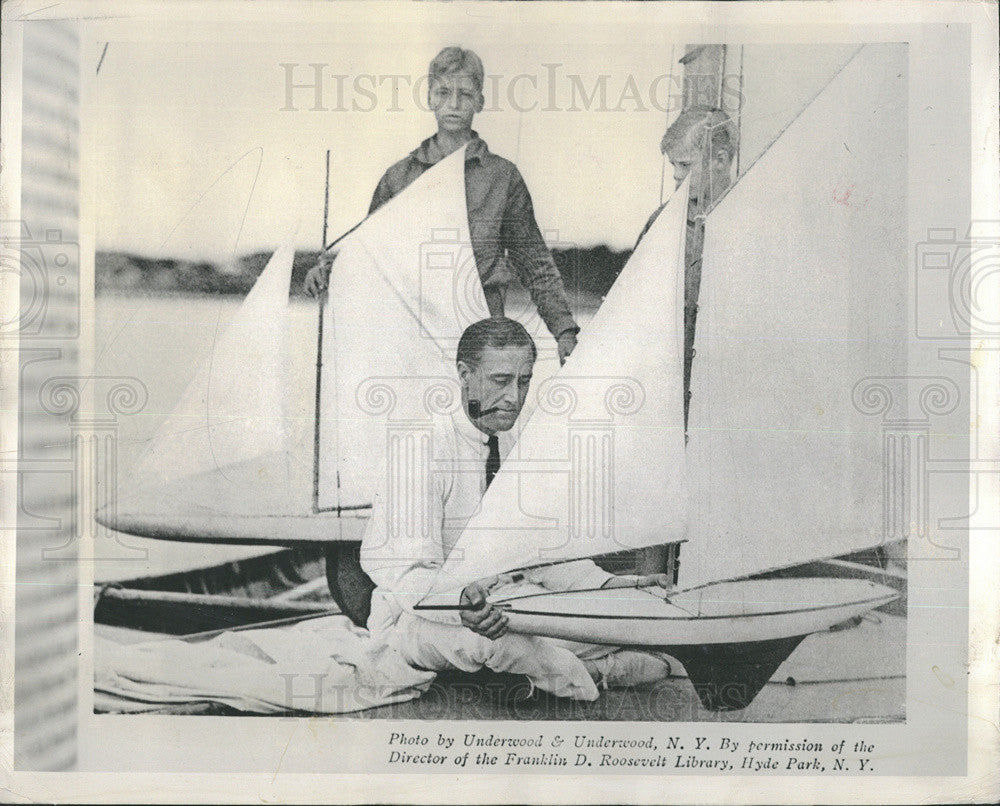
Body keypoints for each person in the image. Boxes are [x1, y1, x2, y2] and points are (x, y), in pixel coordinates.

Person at [360, 317, 674, 701]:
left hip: (512, 608)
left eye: (524, 381)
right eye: (500, 381)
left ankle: (550, 671)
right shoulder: (420, 451)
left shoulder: (515, 445)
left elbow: (544, 554)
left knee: (634, 614)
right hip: (425, 618)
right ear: (464, 374)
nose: (514, 397)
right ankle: (600, 671)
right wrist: (461, 606)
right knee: (498, 643)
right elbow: (406, 574)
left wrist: (613, 586)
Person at [305, 46, 580, 364]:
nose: (453, 103)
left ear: (480, 101)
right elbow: (369, 256)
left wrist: (564, 332)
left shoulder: (503, 177)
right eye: (443, 92)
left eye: (465, 94)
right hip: (411, 336)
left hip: (482, 332)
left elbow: (536, 265)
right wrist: (326, 270)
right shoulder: (399, 177)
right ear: (430, 97)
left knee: (480, 410)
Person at [635, 106, 736, 425]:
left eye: (685, 165)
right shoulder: (661, 221)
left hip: (729, 384)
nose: (676, 175)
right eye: (672, 165)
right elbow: (633, 305)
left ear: (720, 160)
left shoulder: (752, 222)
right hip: (669, 383)